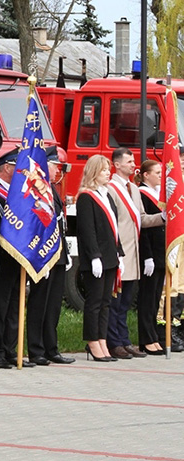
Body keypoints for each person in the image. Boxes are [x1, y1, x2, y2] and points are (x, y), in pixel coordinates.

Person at [105, 147, 163, 359]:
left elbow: (142, 219)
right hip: (120, 252)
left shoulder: (134, 189)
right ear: (117, 164)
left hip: (134, 253)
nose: (133, 164)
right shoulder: (111, 188)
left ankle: (124, 340)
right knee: (116, 300)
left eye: (133, 161)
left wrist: (162, 217)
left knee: (126, 301)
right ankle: (114, 342)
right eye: (129, 161)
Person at [0, 147, 35, 368]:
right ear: (6, 168)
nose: (23, 172)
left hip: (19, 257)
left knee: (16, 304)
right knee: (0, 306)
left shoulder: (21, 193)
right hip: (2, 258)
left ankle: (11, 350)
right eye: (18, 167)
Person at [26, 146, 76, 365]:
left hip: (57, 253)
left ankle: (51, 348)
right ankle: (36, 349)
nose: (58, 170)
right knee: (39, 303)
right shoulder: (36, 190)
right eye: (56, 165)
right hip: (43, 255)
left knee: (54, 304)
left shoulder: (52, 189)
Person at [76, 154, 122, 362]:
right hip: (96, 259)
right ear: (94, 172)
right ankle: (92, 340)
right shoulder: (86, 197)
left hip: (110, 257)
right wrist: (94, 256)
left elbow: (113, 229)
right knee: (94, 301)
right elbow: (88, 230)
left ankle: (102, 339)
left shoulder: (107, 195)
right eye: (104, 170)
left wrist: (118, 252)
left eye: (108, 169)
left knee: (105, 302)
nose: (108, 173)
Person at [137, 159, 167, 355]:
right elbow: (144, 230)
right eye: (157, 172)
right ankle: (146, 339)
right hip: (150, 254)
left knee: (155, 297)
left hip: (161, 252)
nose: (160, 175)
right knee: (147, 298)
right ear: (146, 175)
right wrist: (147, 256)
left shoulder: (159, 194)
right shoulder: (142, 194)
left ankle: (154, 336)